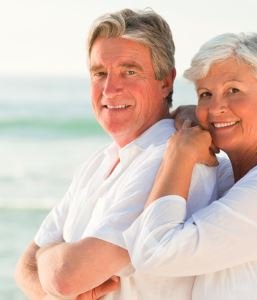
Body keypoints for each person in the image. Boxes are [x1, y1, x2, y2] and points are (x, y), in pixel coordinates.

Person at [15, 8, 224, 300]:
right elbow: (24, 267)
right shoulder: (101, 160)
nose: (110, 89)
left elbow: (65, 277)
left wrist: (50, 263)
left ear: (165, 82)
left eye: (129, 71)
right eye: (100, 73)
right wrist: (54, 283)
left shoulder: (171, 158)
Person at [124, 32, 257, 299]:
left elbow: (155, 252)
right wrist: (187, 117)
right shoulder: (228, 175)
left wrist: (179, 156)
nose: (216, 108)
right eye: (205, 94)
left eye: (234, 91)